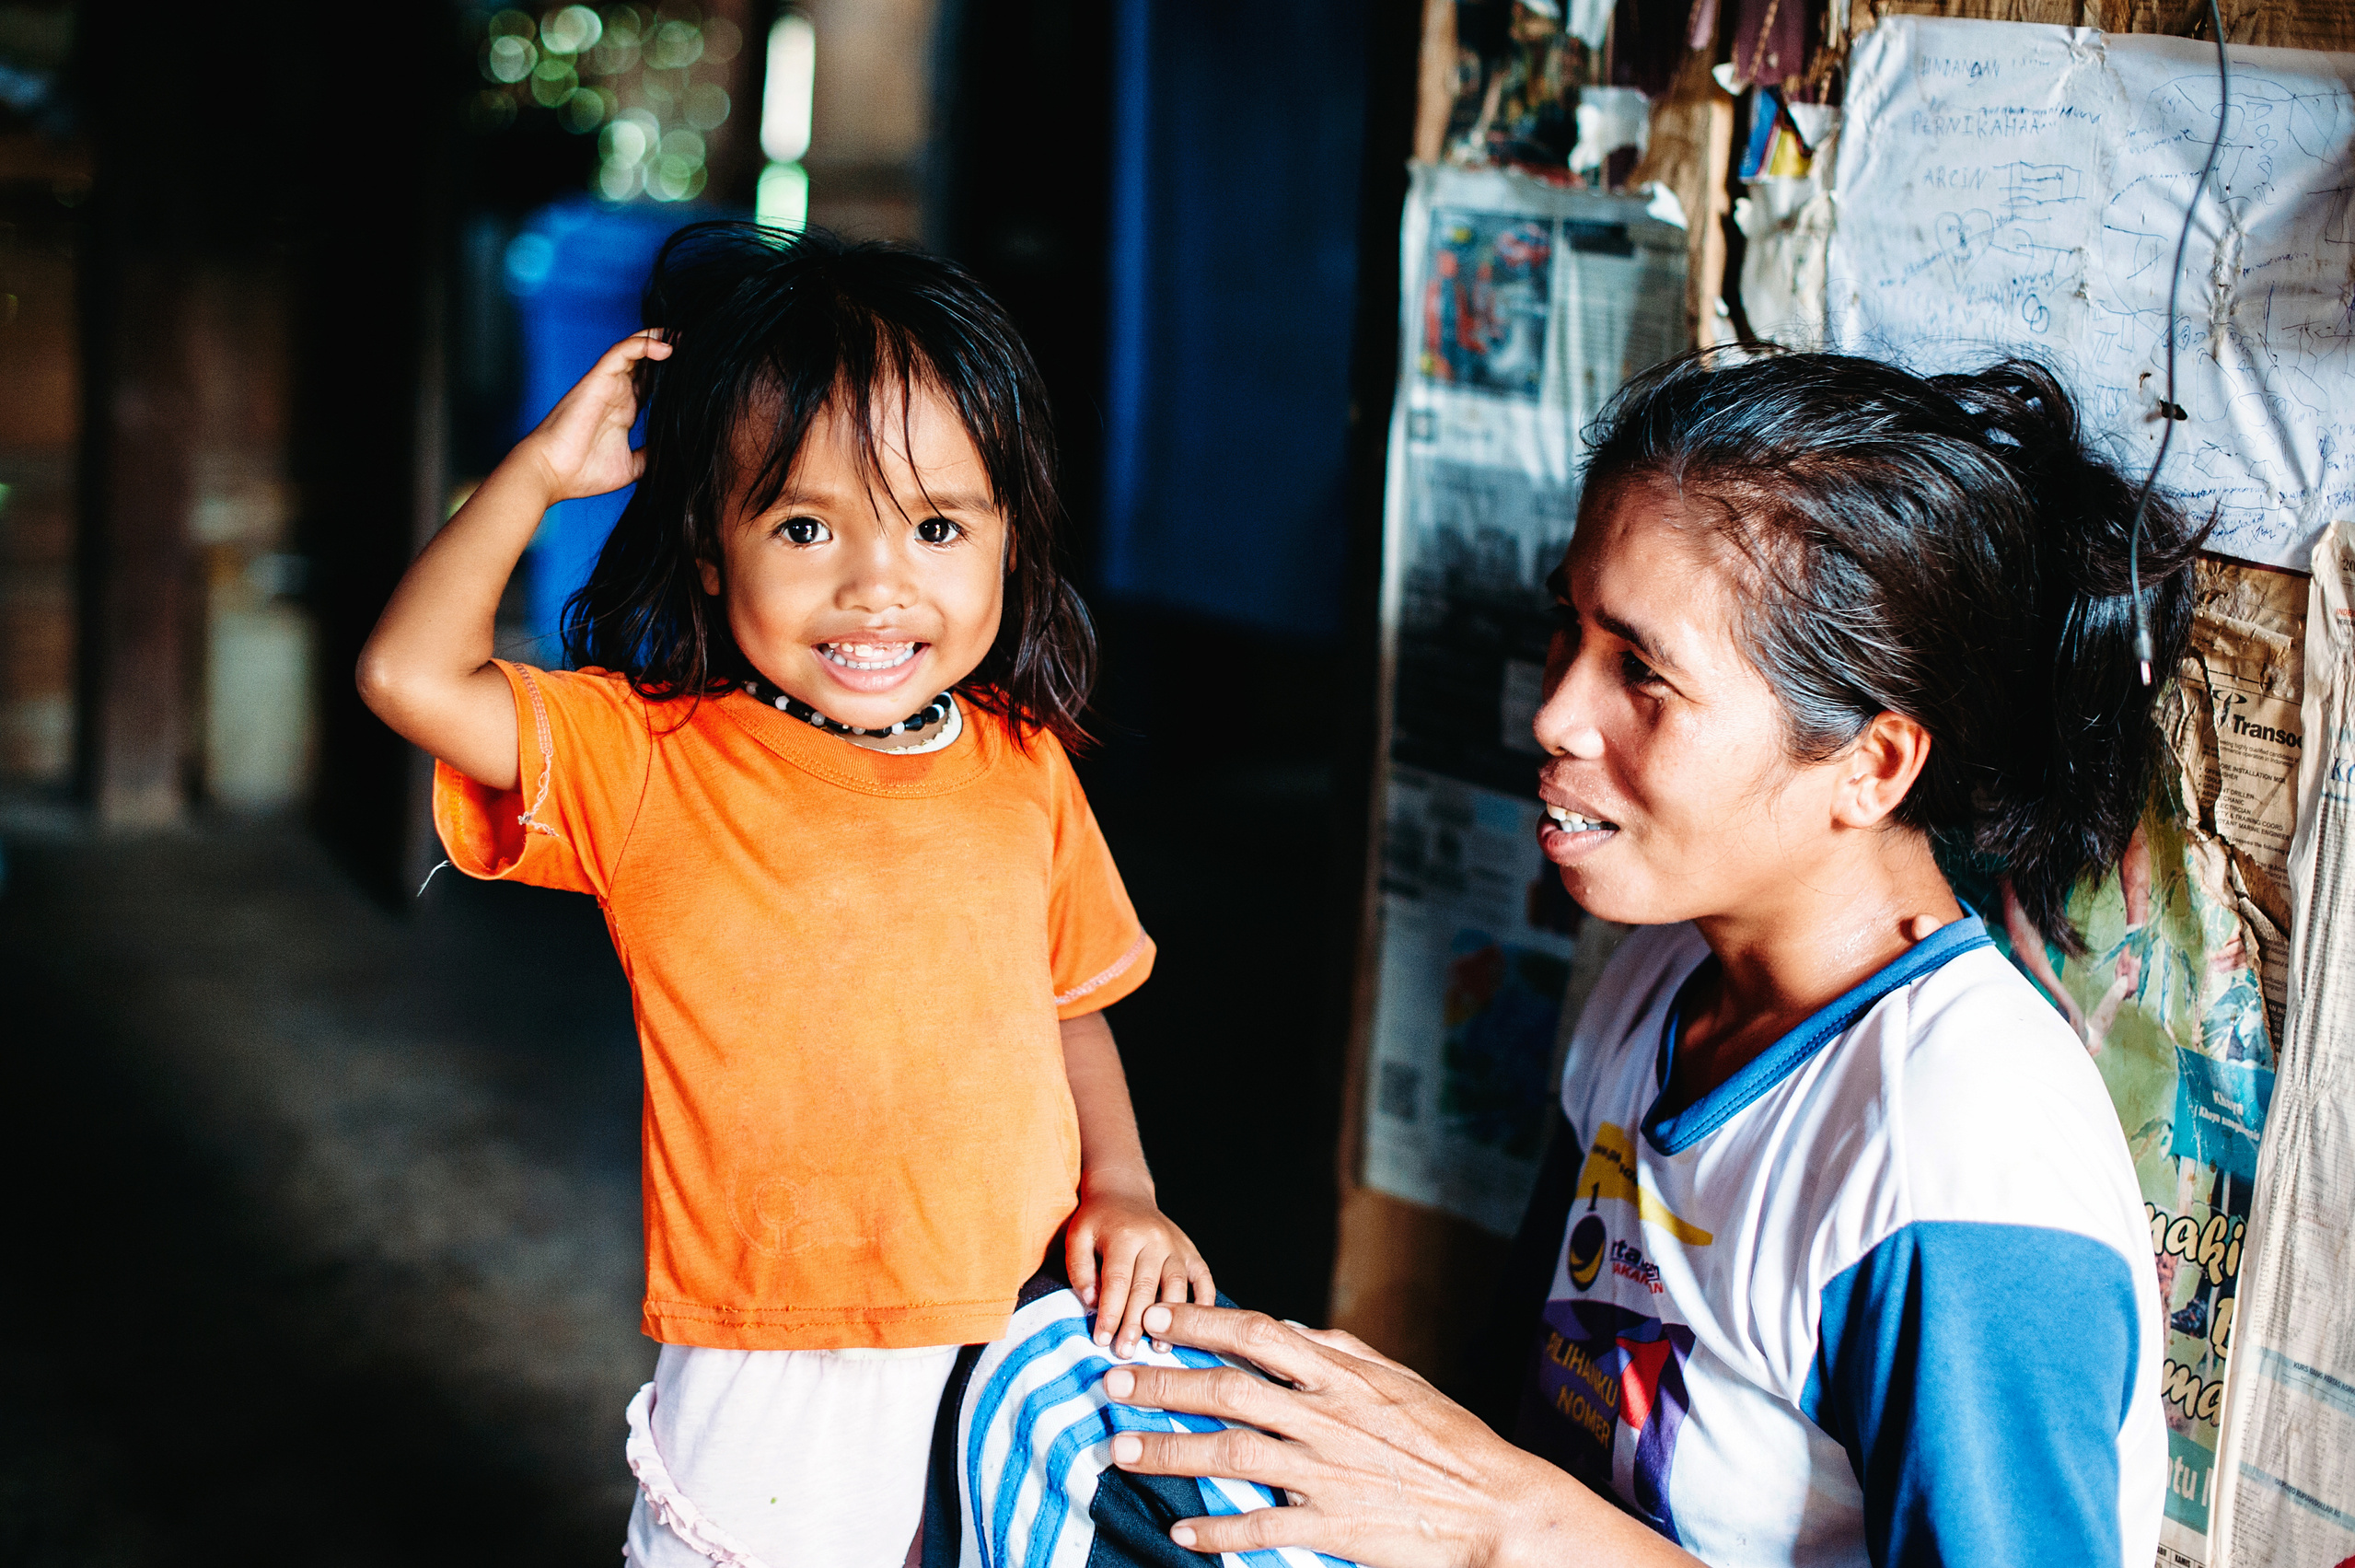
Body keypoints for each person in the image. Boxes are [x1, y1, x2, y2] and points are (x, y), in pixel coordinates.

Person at [954, 350, 2198, 1567]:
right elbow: (1517, 1415)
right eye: (1570, 630)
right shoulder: (1659, 983)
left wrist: (1521, 1530)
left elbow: (1517, 1506)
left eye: (1642, 676)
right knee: (1054, 1390)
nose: (1553, 714)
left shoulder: (1953, 1151)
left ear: (1868, 766)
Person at [356, 223, 1212, 1568]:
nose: (876, 586)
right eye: (805, 525)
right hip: (774, 1357)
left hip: (1011, 1328)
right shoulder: (647, 756)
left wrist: (1123, 1184)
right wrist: (537, 475)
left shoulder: (1019, 761)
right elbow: (408, 678)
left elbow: (1066, 1006)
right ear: (708, 545)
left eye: (937, 526)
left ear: (1006, 540)